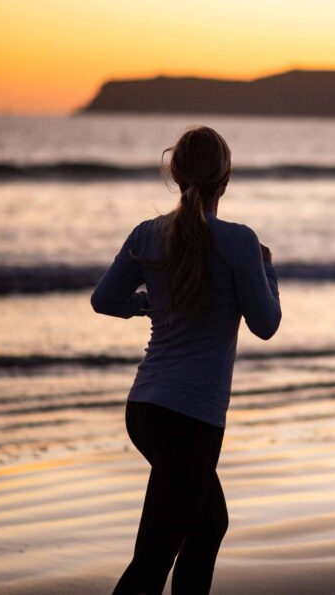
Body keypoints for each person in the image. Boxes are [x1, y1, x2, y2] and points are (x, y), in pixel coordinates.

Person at [91, 125, 281, 594]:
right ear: (226, 177)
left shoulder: (148, 234)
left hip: (146, 408)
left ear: (175, 176)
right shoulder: (240, 243)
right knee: (152, 562)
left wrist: (147, 304)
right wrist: (267, 266)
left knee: (208, 524)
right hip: (191, 418)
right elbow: (266, 324)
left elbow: (105, 300)